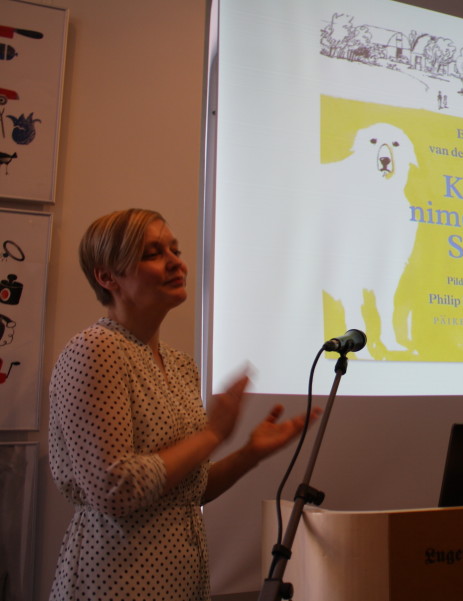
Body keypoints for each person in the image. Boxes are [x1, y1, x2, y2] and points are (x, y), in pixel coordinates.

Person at [48, 208, 320, 601]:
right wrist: (212, 435)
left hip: (182, 580)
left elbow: (190, 490)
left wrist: (249, 454)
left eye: (175, 250)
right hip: (116, 581)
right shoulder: (95, 350)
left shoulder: (180, 365)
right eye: (153, 253)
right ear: (108, 277)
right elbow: (115, 489)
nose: (177, 262)